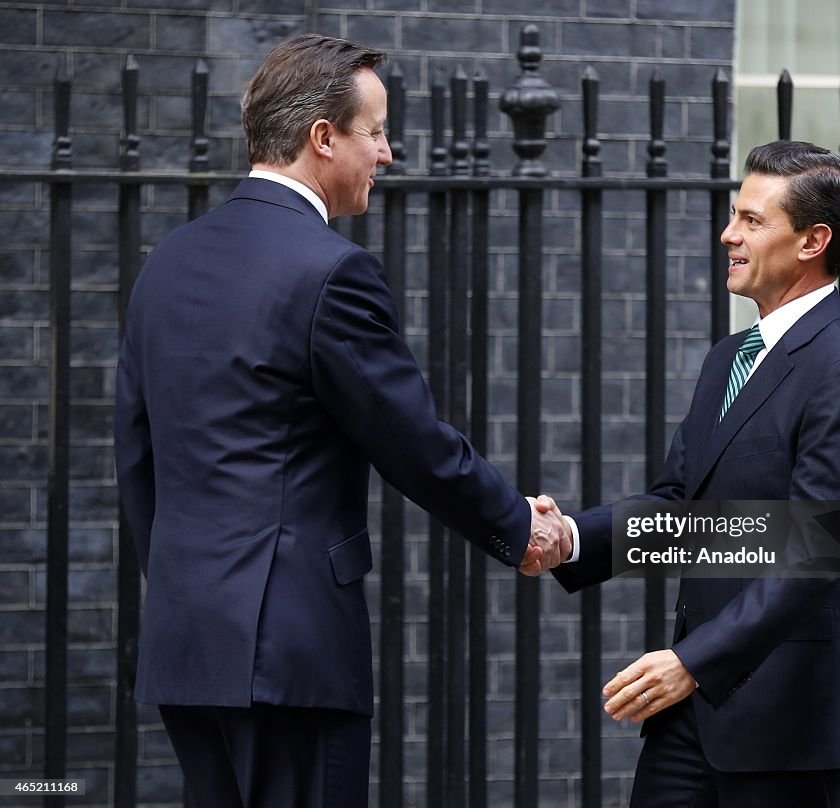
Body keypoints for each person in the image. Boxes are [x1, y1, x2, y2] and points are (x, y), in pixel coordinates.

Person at [114, 34, 569, 808]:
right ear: (323, 138)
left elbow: (137, 452)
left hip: (188, 642)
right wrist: (516, 527)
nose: (388, 155)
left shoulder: (169, 262)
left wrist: (187, 587)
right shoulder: (331, 270)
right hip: (288, 651)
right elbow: (412, 442)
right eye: (377, 132)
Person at [540, 141, 840, 807]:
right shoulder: (731, 357)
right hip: (696, 716)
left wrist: (690, 663)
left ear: (813, 241)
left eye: (753, 221)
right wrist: (571, 539)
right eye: (735, 214)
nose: (729, 233)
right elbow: (682, 504)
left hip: (789, 723)